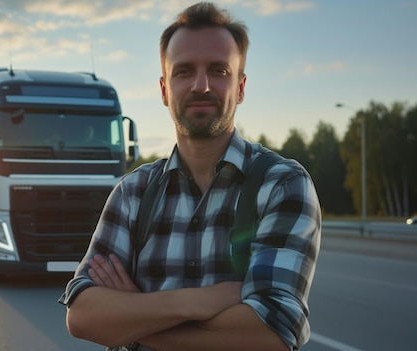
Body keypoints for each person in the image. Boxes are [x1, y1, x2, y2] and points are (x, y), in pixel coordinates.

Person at [58, 2, 321, 351]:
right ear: (165, 89)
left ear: (240, 88)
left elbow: (271, 335)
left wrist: (132, 314)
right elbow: (82, 317)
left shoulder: (281, 184)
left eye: (218, 70)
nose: (201, 85)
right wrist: (199, 301)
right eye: (183, 71)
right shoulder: (132, 192)